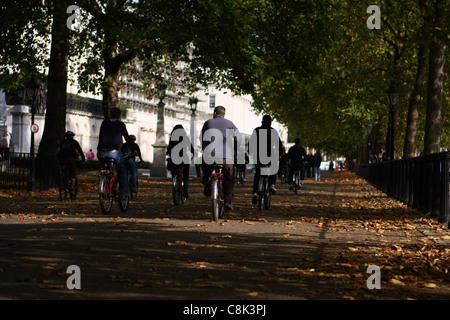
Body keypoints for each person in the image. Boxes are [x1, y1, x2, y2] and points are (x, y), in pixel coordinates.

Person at [201, 106, 241, 212]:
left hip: (210, 156)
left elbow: (203, 137)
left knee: (204, 163)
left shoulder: (208, 123)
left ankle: (207, 181)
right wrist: (236, 150)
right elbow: (238, 138)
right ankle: (228, 201)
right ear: (224, 114)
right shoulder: (230, 123)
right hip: (226, 157)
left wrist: (204, 148)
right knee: (229, 178)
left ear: (214, 113)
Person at [97, 107, 134, 198]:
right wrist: (133, 149)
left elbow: (100, 136)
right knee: (122, 170)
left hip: (101, 152)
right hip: (113, 152)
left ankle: (104, 181)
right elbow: (127, 139)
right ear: (119, 115)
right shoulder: (121, 124)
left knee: (105, 167)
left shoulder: (104, 123)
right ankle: (124, 191)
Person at [250, 115, 283, 204]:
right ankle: (272, 184)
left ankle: (255, 193)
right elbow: (279, 145)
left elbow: (251, 143)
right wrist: (280, 153)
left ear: (262, 121)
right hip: (270, 155)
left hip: (258, 155)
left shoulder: (256, 130)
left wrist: (251, 152)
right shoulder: (273, 131)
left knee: (258, 173)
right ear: (270, 122)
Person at [166, 125, 194, 199]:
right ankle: (185, 189)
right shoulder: (185, 138)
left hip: (174, 159)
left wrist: (168, 152)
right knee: (185, 174)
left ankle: (174, 180)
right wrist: (192, 154)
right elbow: (191, 148)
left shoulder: (172, 138)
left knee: (174, 170)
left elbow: (169, 148)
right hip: (184, 159)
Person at [57, 131, 86, 199]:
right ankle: (72, 188)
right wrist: (83, 159)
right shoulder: (74, 142)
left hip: (63, 161)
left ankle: (62, 186)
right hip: (71, 161)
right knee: (73, 174)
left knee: (63, 172)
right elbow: (80, 151)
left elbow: (59, 152)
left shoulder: (63, 142)